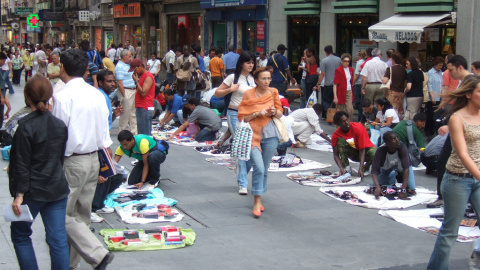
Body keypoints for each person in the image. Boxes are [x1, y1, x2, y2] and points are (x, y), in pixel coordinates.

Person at [51, 49, 114, 269]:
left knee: (61, 215)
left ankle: (96, 253)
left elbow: (58, 134)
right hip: (93, 159)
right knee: (81, 216)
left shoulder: (62, 96)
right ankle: (70, 264)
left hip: (72, 161)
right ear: (86, 71)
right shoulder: (96, 94)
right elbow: (105, 134)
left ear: (63, 68)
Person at [8, 74, 69, 270]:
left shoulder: (25, 127)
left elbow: (21, 164)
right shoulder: (59, 125)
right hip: (56, 188)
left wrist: (19, 195)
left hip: (32, 190)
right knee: (57, 238)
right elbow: (59, 158)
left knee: (20, 234)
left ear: (27, 97)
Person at [427, 75, 480, 269]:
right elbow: (463, 153)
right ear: (468, 94)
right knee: (450, 232)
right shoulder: (457, 118)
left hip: (477, 180)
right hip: (457, 180)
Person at [237, 66, 283, 218]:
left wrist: (274, 112)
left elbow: (280, 112)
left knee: (265, 168)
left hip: (270, 134)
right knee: (259, 168)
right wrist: (257, 113)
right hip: (252, 134)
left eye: (269, 78)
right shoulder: (249, 93)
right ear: (256, 80)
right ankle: (256, 201)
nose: (267, 81)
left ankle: (259, 196)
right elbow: (243, 116)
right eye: (263, 78)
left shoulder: (273, 92)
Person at [432, 54, 472, 209]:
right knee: (449, 161)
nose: (448, 73)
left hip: (465, 128)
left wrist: (451, 125)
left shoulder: (470, 82)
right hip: (462, 126)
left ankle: (448, 197)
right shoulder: (465, 82)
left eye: (450, 70)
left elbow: (468, 108)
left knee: (449, 160)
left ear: (460, 67)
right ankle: (448, 196)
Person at [214, 51, 256, 195]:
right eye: (248, 62)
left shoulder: (253, 78)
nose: (251, 65)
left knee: (251, 149)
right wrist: (230, 89)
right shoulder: (233, 77)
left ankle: (240, 170)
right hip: (234, 114)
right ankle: (242, 183)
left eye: (252, 62)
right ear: (241, 63)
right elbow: (216, 93)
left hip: (251, 116)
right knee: (242, 146)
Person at [371, 131, 416, 200]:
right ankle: (392, 175)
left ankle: (397, 175)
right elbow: (374, 170)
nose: (397, 140)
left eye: (397, 137)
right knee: (375, 186)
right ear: (387, 143)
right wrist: (377, 186)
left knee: (411, 187)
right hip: (386, 168)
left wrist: (403, 190)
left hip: (402, 168)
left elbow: (406, 168)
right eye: (394, 139)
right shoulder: (380, 150)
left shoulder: (402, 148)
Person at [332, 111, 376, 178]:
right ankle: (346, 167)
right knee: (340, 140)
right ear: (338, 124)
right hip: (354, 153)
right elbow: (335, 155)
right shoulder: (336, 135)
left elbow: (362, 149)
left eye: (347, 120)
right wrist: (341, 168)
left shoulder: (358, 128)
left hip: (365, 152)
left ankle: (365, 168)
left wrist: (360, 168)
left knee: (374, 152)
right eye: (343, 121)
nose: (346, 122)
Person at [314, 45, 341, 118]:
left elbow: (322, 73)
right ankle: (334, 114)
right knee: (334, 100)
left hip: (328, 83)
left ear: (326, 52)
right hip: (337, 83)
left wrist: (318, 84)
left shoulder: (324, 60)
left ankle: (328, 111)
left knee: (326, 100)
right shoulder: (338, 60)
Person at [130, 58, 155, 136]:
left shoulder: (148, 76)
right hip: (141, 107)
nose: (134, 72)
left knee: (144, 134)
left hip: (145, 107)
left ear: (140, 66)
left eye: (135, 69)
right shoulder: (143, 76)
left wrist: (136, 81)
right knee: (141, 132)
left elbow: (143, 93)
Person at [115, 49, 137, 134]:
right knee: (125, 114)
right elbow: (119, 82)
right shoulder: (120, 66)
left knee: (132, 113)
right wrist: (124, 95)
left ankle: (134, 132)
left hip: (132, 89)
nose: (130, 58)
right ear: (124, 56)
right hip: (126, 90)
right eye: (129, 56)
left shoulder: (127, 65)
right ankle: (122, 132)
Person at [383, 52, 407, 118]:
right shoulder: (404, 70)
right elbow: (405, 83)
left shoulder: (390, 69)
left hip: (391, 92)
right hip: (400, 93)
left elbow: (385, 81)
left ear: (393, 59)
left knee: (390, 109)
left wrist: (383, 77)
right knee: (398, 110)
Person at [424, 56, 444, 136]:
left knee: (437, 115)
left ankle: (435, 130)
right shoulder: (431, 72)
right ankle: (429, 131)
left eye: (441, 65)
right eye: (439, 65)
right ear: (435, 65)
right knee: (431, 115)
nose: (440, 67)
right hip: (433, 96)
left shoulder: (440, 73)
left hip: (439, 95)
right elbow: (430, 85)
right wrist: (432, 96)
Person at [333, 53, 354, 121]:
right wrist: (335, 97)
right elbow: (335, 84)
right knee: (340, 110)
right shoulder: (338, 70)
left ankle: (348, 123)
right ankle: (339, 125)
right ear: (341, 61)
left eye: (348, 61)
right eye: (345, 61)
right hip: (341, 92)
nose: (347, 63)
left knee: (350, 109)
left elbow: (351, 81)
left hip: (349, 90)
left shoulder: (351, 69)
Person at [353, 49, 366, 121]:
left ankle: (360, 117)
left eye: (358, 55)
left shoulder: (359, 63)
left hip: (358, 83)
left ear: (361, 56)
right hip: (364, 83)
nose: (357, 57)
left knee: (357, 101)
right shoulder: (366, 62)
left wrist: (353, 82)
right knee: (362, 100)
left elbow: (357, 75)